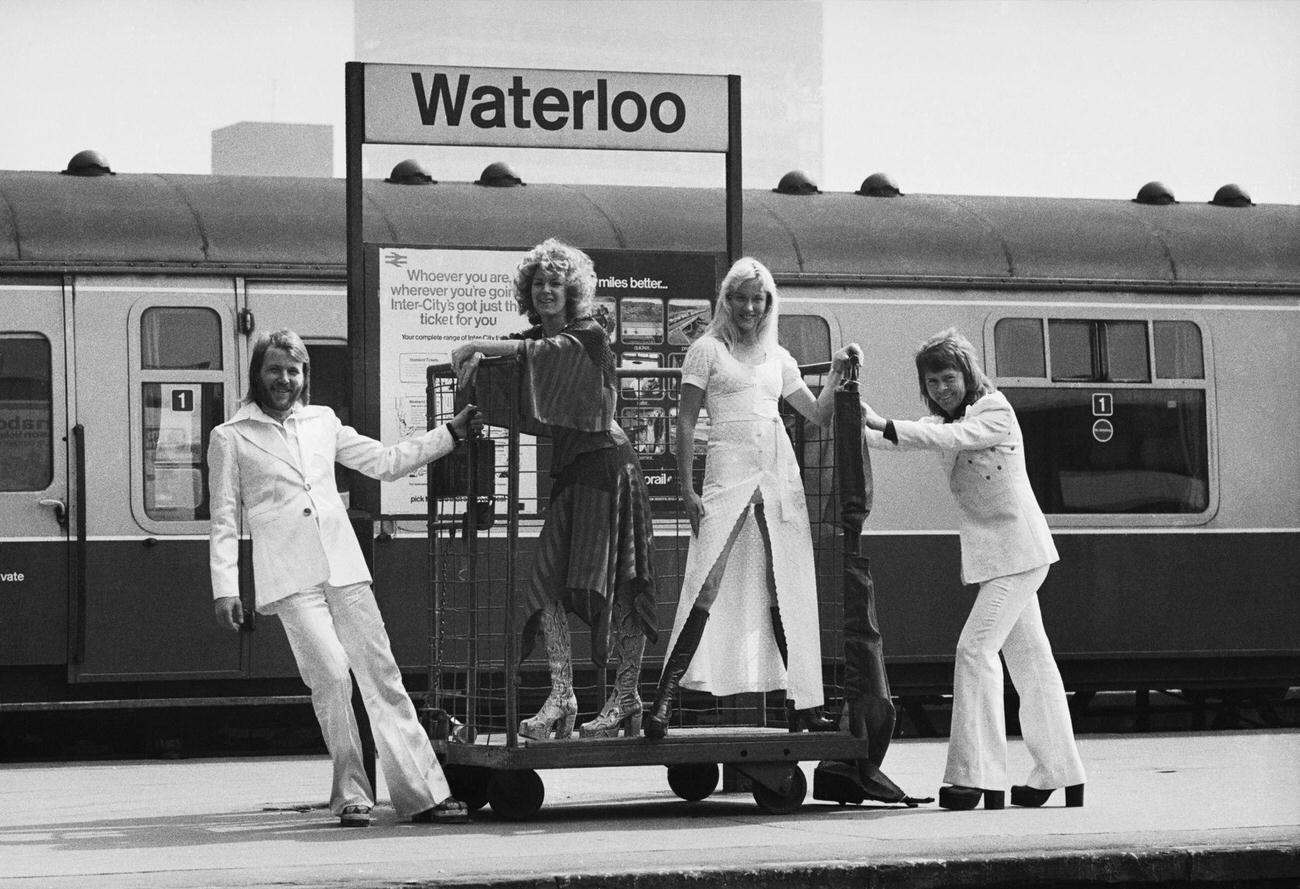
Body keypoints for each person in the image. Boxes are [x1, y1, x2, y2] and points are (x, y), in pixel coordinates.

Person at [208, 329, 479, 827]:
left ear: (305, 375)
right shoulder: (230, 436)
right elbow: (225, 518)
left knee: (382, 678)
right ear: (257, 374)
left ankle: (423, 795)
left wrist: (450, 434)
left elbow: (384, 463)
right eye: (274, 369)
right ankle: (351, 794)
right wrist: (225, 587)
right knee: (331, 676)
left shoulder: (323, 422)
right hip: (290, 578)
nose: (284, 379)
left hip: (345, 569)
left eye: (294, 370)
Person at [858, 328, 1086, 810]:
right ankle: (1060, 772)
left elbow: (949, 436)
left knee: (973, 650)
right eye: (932, 382)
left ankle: (977, 777)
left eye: (948, 377)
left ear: (968, 374)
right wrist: (846, 425)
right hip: (1004, 559)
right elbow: (906, 440)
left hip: (1021, 556)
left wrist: (882, 420)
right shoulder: (945, 421)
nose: (941, 388)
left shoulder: (994, 411)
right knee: (1032, 665)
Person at [450, 239, 658, 741]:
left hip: (609, 468)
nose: (546, 290)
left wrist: (475, 346)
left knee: (625, 583)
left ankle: (626, 696)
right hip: (573, 472)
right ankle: (562, 694)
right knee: (547, 585)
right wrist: (475, 369)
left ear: (573, 291)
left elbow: (540, 355)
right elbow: (519, 362)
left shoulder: (589, 336)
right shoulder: (534, 340)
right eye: (538, 283)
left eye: (556, 283)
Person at [644, 257, 855, 738]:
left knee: (787, 580)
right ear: (726, 300)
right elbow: (685, 421)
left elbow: (818, 415)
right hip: (728, 471)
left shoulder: (779, 358)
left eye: (757, 299)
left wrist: (839, 370)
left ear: (768, 304)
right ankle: (664, 702)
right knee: (707, 578)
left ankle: (802, 706)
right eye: (739, 297)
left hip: (778, 473)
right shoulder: (705, 350)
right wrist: (686, 487)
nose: (748, 307)